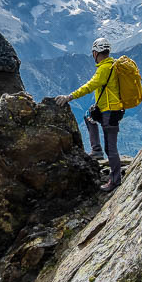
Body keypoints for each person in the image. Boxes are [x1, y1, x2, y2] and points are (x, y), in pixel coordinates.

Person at [55, 37, 124, 192]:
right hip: (109, 108)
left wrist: (69, 97)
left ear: (95, 52)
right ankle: (96, 150)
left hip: (110, 112)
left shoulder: (104, 69)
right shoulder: (113, 65)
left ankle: (115, 181)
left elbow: (89, 86)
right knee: (88, 116)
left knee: (111, 148)